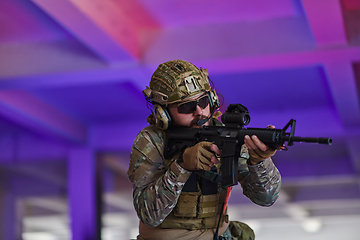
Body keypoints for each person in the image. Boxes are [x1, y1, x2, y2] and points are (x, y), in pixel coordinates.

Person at [127, 60, 281, 240]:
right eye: (186, 107)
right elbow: (149, 215)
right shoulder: (152, 140)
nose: (199, 112)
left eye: (203, 101)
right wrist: (182, 166)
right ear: (164, 113)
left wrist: (259, 162)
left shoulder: (224, 133)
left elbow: (266, 198)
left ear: (212, 99)